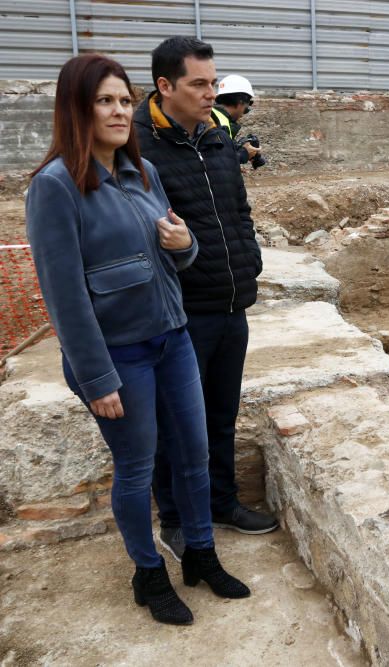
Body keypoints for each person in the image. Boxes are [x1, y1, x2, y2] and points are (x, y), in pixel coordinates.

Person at [25, 54, 250, 626]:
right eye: (105, 100)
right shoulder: (55, 188)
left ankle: (200, 553)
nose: (120, 111)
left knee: (195, 455)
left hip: (172, 338)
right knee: (135, 467)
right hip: (120, 354)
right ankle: (148, 573)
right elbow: (64, 296)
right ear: (76, 108)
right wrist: (97, 378)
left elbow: (178, 253)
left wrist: (185, 247)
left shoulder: (142, 173)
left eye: (125, 100)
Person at [133, 36, 277, 563]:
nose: (210, 93)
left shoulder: (217, 136)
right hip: (181, 311)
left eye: (214, 82)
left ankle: (222, 501)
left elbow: (238, 208)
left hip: (231, 301)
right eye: (199, 84)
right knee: (175, 423)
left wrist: (250, 259)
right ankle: (174, 517)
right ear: (165, 86)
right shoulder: (137, 147)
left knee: (221, 414)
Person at [211, 74, 262, 166]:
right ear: (240, 102)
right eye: (247, 107)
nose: (244, 113)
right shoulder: (217, 122)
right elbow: (214, 160)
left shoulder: (218, 117)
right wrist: (244, 154)